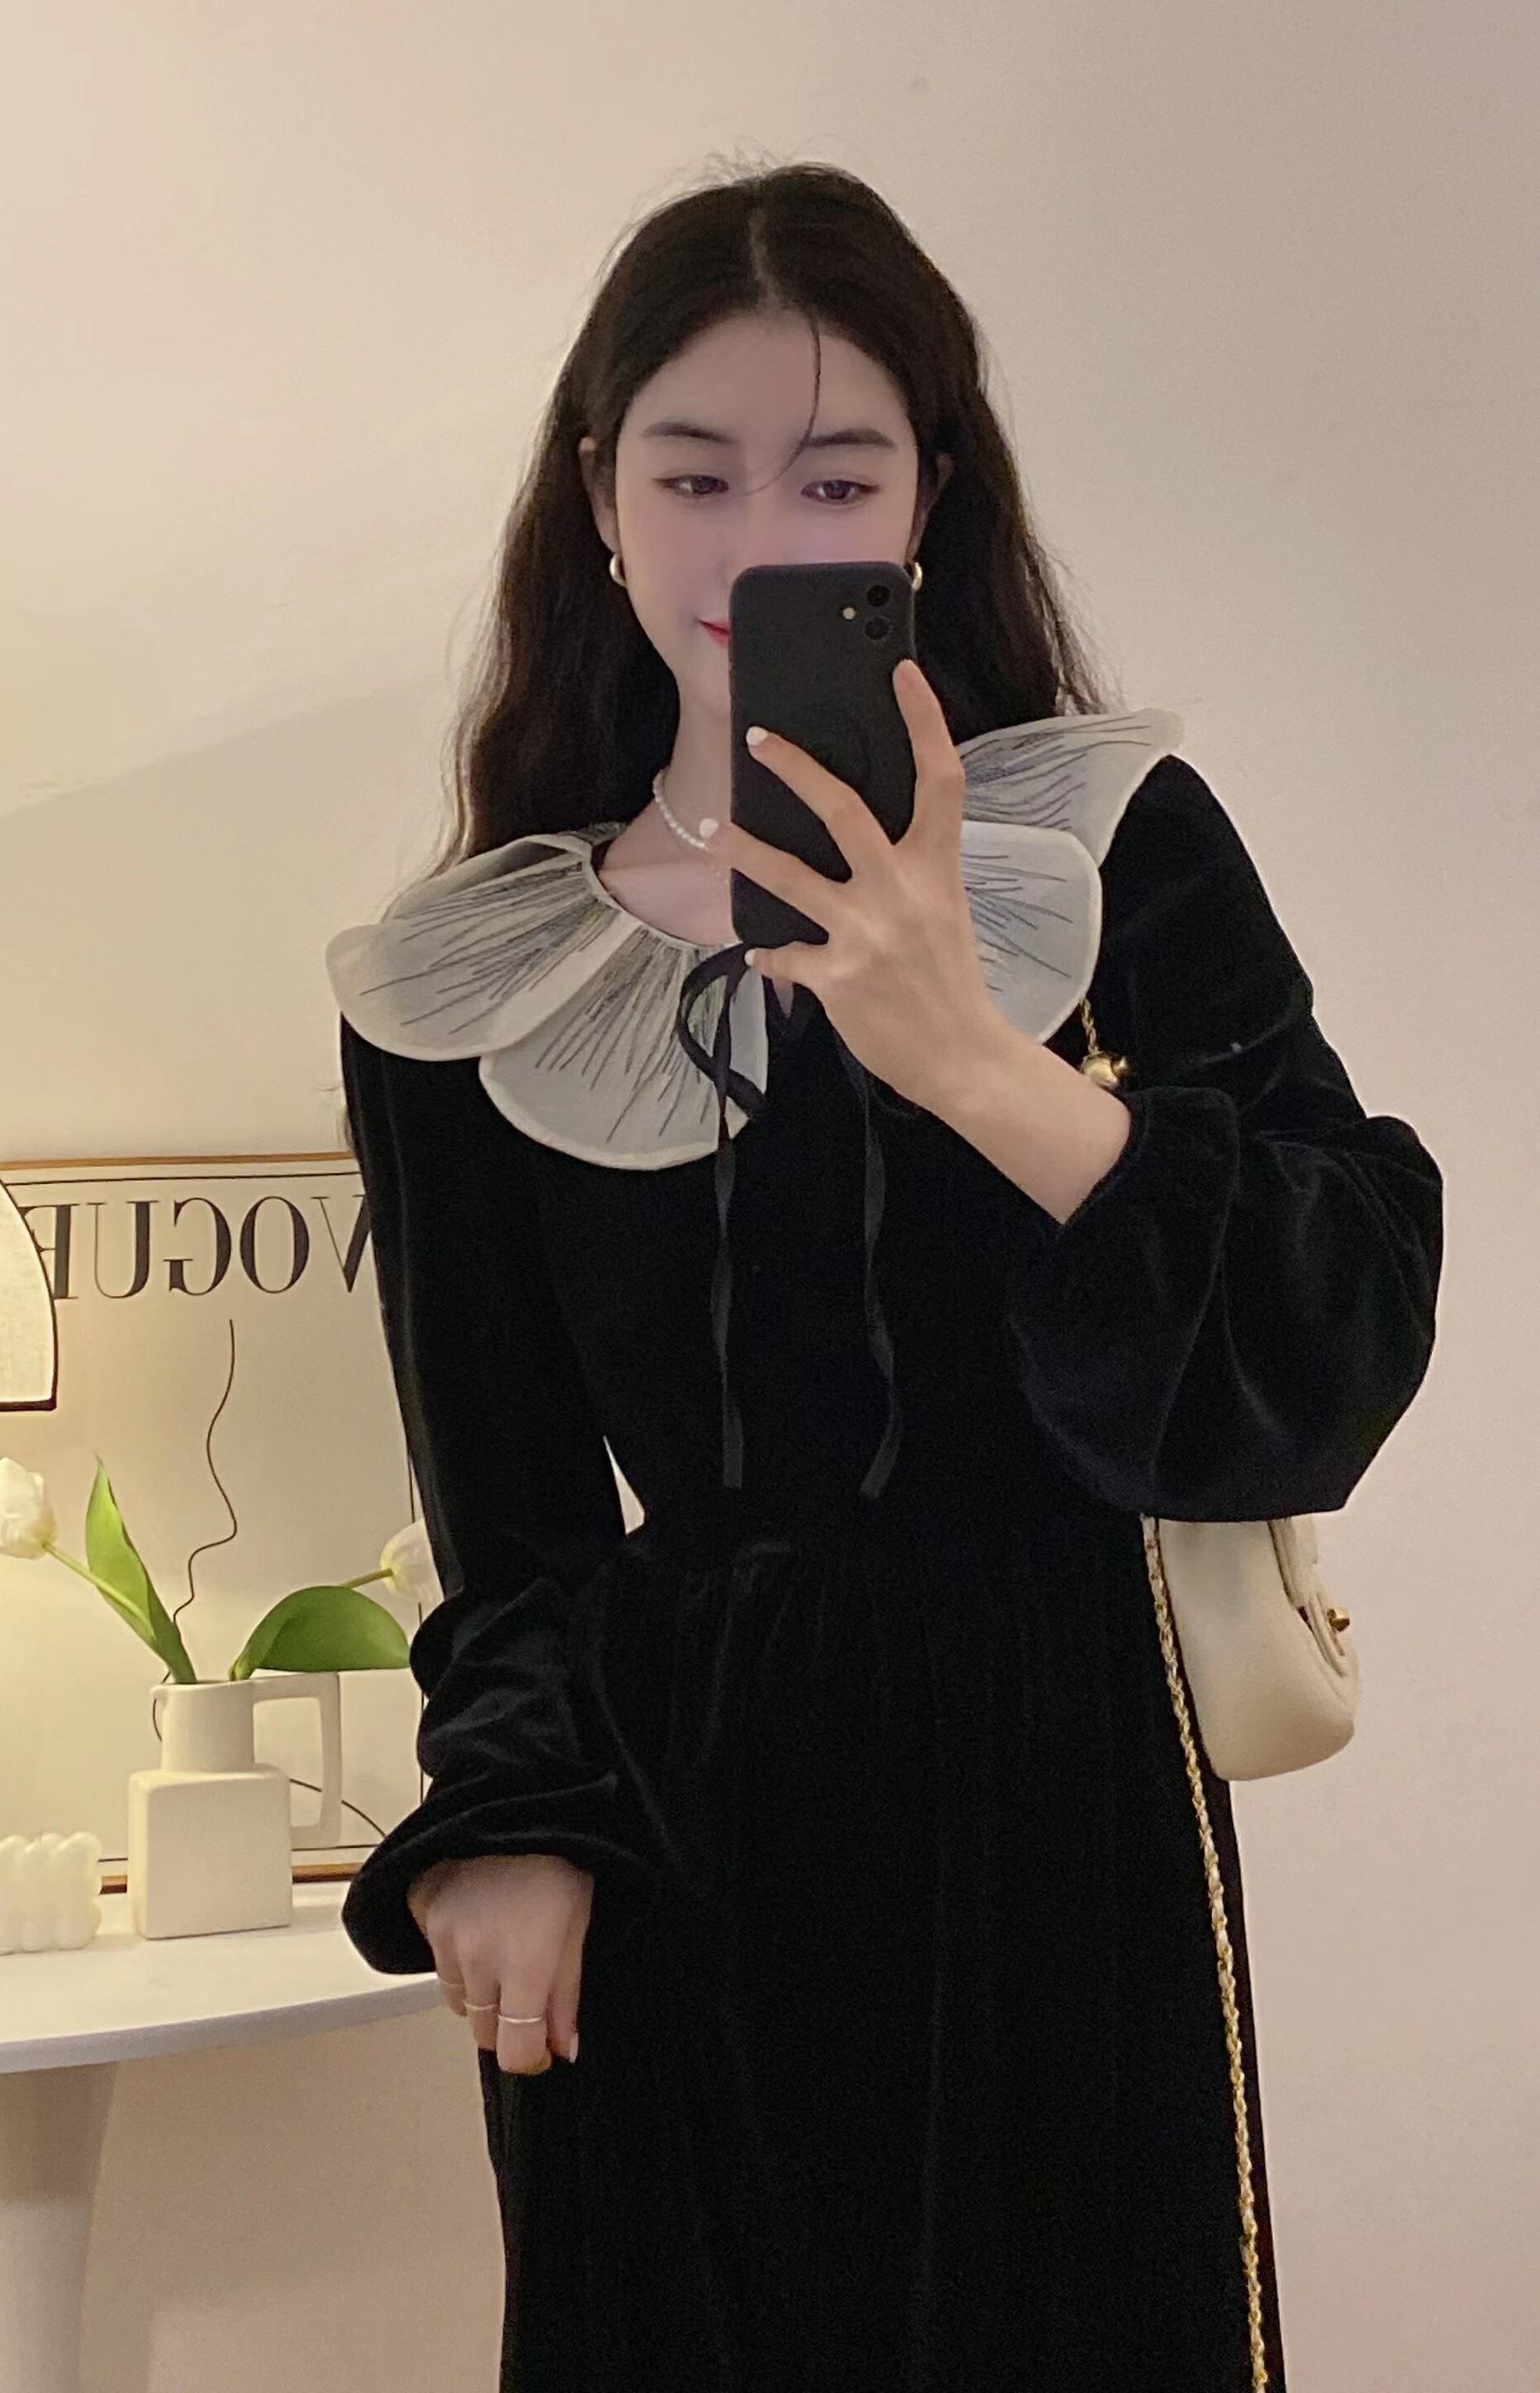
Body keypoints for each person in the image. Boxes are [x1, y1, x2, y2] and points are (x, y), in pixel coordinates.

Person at [323, 161, 1444, 2393]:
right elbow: (507, 1503)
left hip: (1060, 1781)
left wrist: (969, 1056)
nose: (760, 538)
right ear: (598, 502)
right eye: (695, 472)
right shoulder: (473, 982)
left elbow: (1333, 1330)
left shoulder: (1110, 852)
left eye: (835, 475)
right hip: (670, 1821)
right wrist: (508, 1826)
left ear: (931, 500)